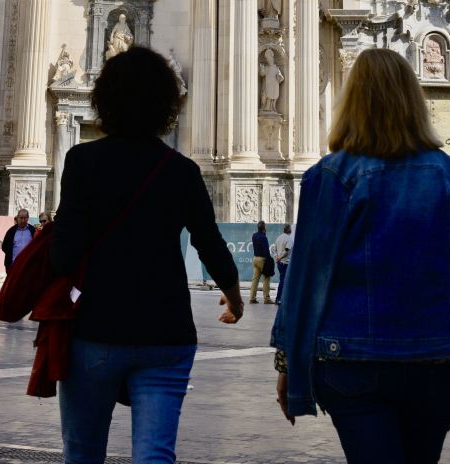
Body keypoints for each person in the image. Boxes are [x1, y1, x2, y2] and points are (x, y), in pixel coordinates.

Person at [273, 48, 450, 463]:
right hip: (439, 365)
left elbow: (305, 280)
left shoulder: (329, 176)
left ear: (351, 104)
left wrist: (287, 363)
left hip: (353, 363)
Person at [51, 46, 245, 464]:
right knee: (155, 454)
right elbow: (210, 243)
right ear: (166, 105)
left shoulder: (82, 160)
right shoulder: (182, 170)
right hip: (166, 330)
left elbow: (63, 253)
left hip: (96, 328)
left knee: (82, 453)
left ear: (104, 99)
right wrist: (235, 296)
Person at [251, 221, 274, 305]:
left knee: (255, 280)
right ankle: (266, 298)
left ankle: (252, 298)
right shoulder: (264, 237)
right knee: (266, 279)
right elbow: (266, 250)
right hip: (262, 259)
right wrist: (270, 259)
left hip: (255, 258)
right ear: (264, 228)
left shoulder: (254, 236)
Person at [272, 224, 294, 301]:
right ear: (289, 230)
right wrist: (280, 257)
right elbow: (287, 251)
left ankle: (281, 298)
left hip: (280, 263)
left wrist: (277, 257)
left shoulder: (278, 238)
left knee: (283, 280)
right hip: (286, 263)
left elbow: (274, 250)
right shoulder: (289, 239)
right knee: (284, 281)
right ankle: (279, 298)